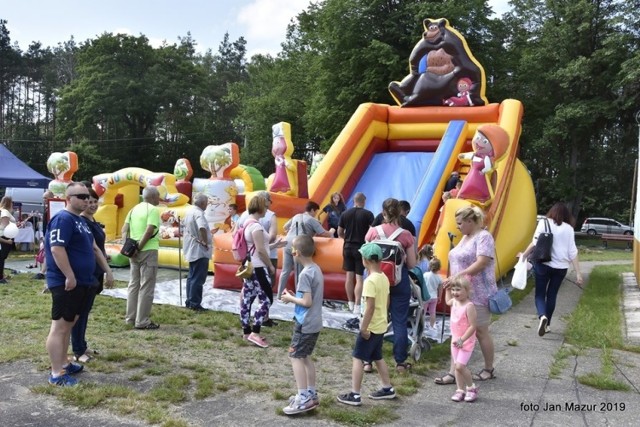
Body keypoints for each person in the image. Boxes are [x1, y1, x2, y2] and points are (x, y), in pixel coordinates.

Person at [44, 183, 113, 386]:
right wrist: (69, 275)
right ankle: (56, 373)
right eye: (81, 196)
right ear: (68, 197)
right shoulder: (63, 219)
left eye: (88, 196)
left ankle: (64, 362)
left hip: (83, 282)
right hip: (67, 283)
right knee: (60, 327)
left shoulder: (80, 221)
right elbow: (57, 249)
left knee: (69, 324)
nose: (86, 200)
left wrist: (107, 270)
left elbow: (93, 248)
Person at [436, 205, 497, 385]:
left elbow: (482, 262)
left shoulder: (484, 237)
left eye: (460, 223)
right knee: (458, 331)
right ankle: (454, 371)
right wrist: (451, 282)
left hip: (478, 293)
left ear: (471, 221)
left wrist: (457, 277)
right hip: (460, 292)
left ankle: (488, 368)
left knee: (480, 330)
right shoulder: (465, 237)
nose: (458, 227)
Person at [337, 242, 396, 406]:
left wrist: (363, 327)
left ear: (366, 260)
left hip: (369, 327)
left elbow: (369, 307)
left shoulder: (370, 281)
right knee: (377, 356)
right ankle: (387, 388)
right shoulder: (383, 277)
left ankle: (355, 394)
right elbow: (387, 300)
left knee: (357, 357)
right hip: (380, 325)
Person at [365, 198, 417, 373]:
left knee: (373, 317)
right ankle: (400, 362)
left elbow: (365, 256)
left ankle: (368, 360)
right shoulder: (406, 235)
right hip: (398, 280)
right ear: (401, 212)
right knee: (399, 320)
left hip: (376, 280)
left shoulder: (372, 232)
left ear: (383, 213)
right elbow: (411, 264)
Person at [520, 202, 583, 336]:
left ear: (552, 212)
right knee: (552, 295)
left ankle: (542, 316)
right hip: (561, 268)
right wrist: (578, 273)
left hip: (543, 264)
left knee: (540, 295)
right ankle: (547, 324)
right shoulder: (569, 229)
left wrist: (523, 256)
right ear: (566, 215)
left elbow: (535, 242)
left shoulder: (544, 223)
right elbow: (573, 252)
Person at [280, 235, 324, 415]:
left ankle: (303, 397)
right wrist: (295, 296)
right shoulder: (316, 269)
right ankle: (311, 394)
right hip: (314, 321)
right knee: (305, 356)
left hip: (304, 323)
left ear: (296, 253)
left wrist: (290, 298)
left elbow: (306, 302)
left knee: (295, 357)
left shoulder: (305, 274)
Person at [71, 188, 114, 363]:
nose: (92, 205)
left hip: (95, 270)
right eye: (89, 201)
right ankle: (77, 349)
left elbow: (98, 247)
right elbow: (91, 248)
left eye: (95, 201)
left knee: (85, 311)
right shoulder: (82, 222)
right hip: (87, 272)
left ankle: (82, 344)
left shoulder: (92, 221)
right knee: (79, 312)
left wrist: (105, 258)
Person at [122, 186, 161, 330]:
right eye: (158, 196)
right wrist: (139, 246)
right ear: (152, 197)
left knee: (133, 284)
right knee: (146, 286)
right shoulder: (152, 210)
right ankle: (142, 320)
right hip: (148, 250)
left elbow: (124, 229)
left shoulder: (133, 209)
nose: (159, 199)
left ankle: (130, 317)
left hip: (133, 252)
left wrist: (129, 247)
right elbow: (150, 229)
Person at [277, 201, 334, 299]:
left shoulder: (296, 216)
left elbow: (285, 227)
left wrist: (292, 231)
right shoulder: (312, 220)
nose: (315, 214)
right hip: (299, 244)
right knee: (299, 271)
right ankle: (299, 296)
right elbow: (323, 233)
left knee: (285, 270)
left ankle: (279, 294)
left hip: (287, 243)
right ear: (312, 210)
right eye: (315, 212)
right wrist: (331, 232)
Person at [240, 196, 276, 348]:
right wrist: (270, 266)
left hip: (249, 266)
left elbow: (257, 247)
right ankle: (255, 332)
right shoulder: (256, 227)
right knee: (267, 299)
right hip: (259, 268)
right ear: (261, 208)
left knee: (247, 298)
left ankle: (247, 331)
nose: (267, 209)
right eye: (266, 206)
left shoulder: (247, 222)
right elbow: (260, 250)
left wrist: (275, 245)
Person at [338, 192, 374, 316]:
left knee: (349, 276)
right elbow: (373, 231)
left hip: (347, 246)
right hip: (361, 247)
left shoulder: (345, 214)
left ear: (354, 201)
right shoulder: (368, 214)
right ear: (363, 201)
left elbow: (340, 232)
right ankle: (358, 305)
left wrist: (346, 238)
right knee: (359, 278)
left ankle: (350, 302)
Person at [444, 275, 478, 402]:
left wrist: (462, 340)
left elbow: (473, 326)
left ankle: (471, 388)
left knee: (459, 366)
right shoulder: (454, 302)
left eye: (458, 290)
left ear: (467, 291)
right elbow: (448, 302)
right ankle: (460, 390)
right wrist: (447, 289)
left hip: (465, 341)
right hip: (455, 340)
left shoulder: (469, 306)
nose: (455, 292)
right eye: (453, 289)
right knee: (457, 367)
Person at [183, 193, 212, 311]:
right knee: (198, 278)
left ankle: (189, 300)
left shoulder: (189, 211)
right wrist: (205, 241)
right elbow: (202, 227)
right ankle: (195, 303)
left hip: (192, 248)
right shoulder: (199, 213)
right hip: (199, 249)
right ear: (203, 203)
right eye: (207, 202)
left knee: (191, 276)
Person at [0, 196, 17, 284]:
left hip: (6, 235)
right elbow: (4, 225)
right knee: (1, 257)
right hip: (4, 236)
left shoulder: (3, 211)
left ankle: (2, 274)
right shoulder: (5, 212)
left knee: (2, 257)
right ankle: (0, 277)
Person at [423, 257, 442, 331]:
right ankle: (432, 326)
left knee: (423, 312)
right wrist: (439, 297)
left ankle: (422, 325)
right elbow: (440, 289)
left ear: (429, 266)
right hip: (434, 297)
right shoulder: (439, 278)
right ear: (439, 267)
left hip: (426, 297)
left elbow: (422, 285)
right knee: (432, 312)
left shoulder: (425, 275)